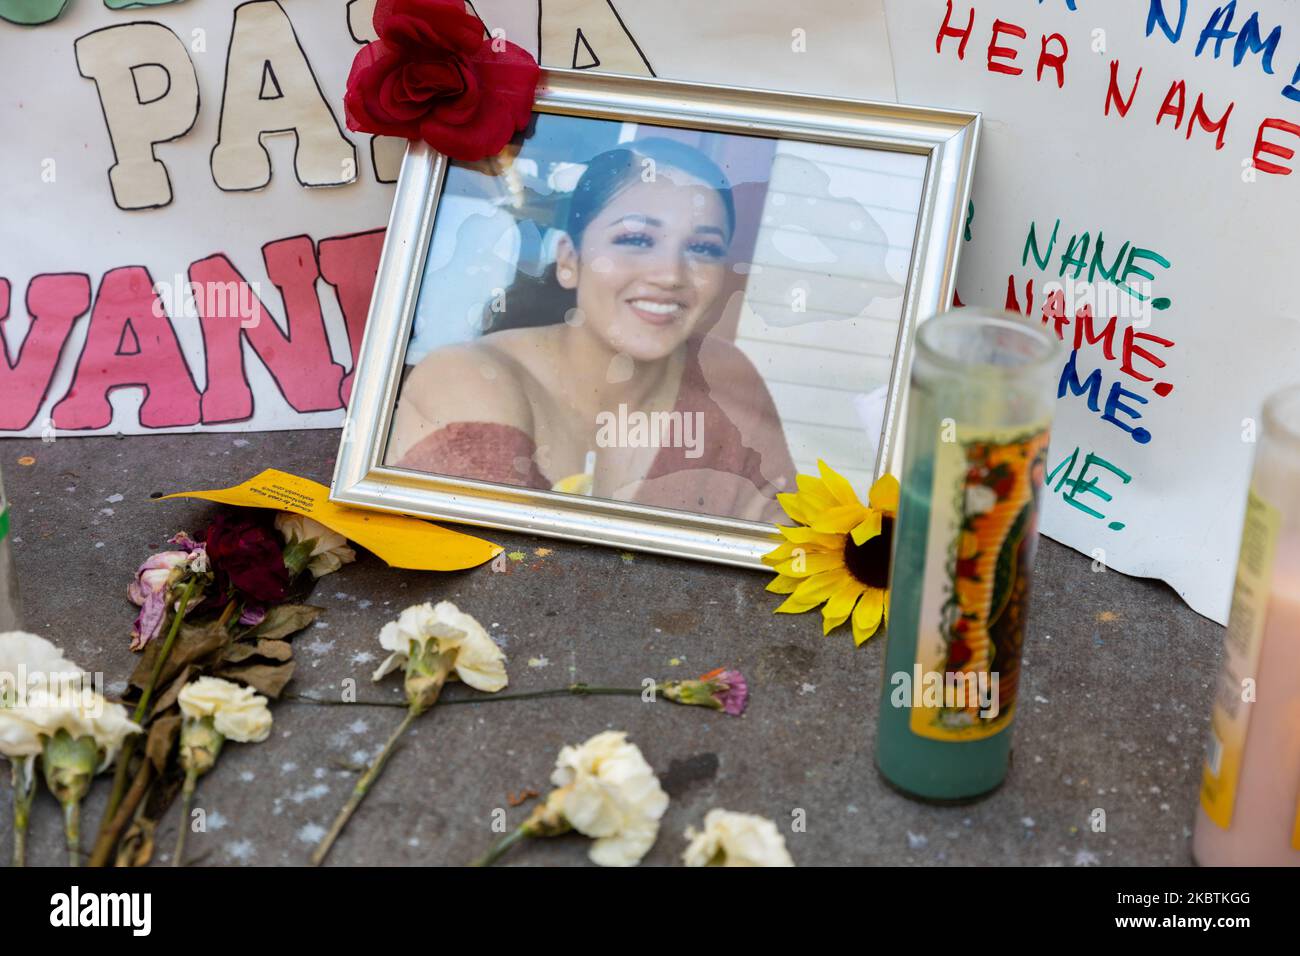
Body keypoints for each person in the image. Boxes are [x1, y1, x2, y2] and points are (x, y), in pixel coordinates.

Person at [387, 138, 796, 523]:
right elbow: (486, 576)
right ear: (568, 259)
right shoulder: (467, 377)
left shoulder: (723, 373)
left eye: (703, 248)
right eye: (636, 238)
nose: (671, 274)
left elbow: (781, 553)